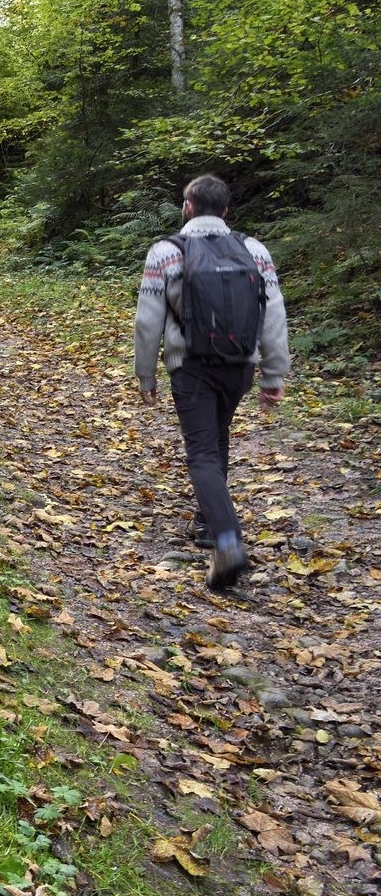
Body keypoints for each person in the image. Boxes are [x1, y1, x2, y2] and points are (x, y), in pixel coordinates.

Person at [134, 174, 290, 590]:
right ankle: (207, 522)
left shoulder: (166, 252)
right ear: (225, 211)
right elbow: (273, 313)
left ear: (187, 207)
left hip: (191, 365)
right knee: (217, 435)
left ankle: (226, 539)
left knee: (201, 451)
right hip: (239, 365)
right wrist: (273, 373)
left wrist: (145, 373)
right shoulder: (253, 250)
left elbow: (148, 319)